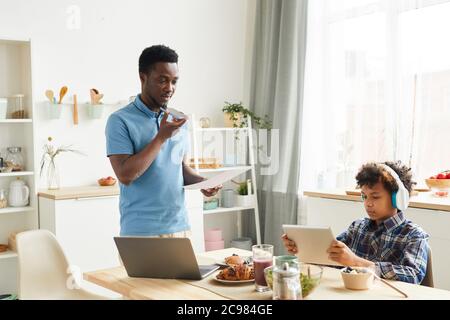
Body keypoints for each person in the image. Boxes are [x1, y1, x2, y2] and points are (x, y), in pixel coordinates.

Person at [105, 45, 221, 238]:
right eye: (162, 80)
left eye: (174, 81)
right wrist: (161, 138)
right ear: (143, 77)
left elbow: (180, 169)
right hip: (141, 233)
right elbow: (125, 175)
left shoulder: (178, 120)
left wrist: (203, 182)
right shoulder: (120, 120)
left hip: (180, 228)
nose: (170, 88)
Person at [282, 161, 429, 284]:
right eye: (364, 197)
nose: (368, 204)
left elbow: (413, 274)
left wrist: (357, 262)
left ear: (398, 199)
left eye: (375, 197)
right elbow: (330, 254)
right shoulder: (357, 227)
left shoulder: (414, 235)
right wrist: (303, 247)